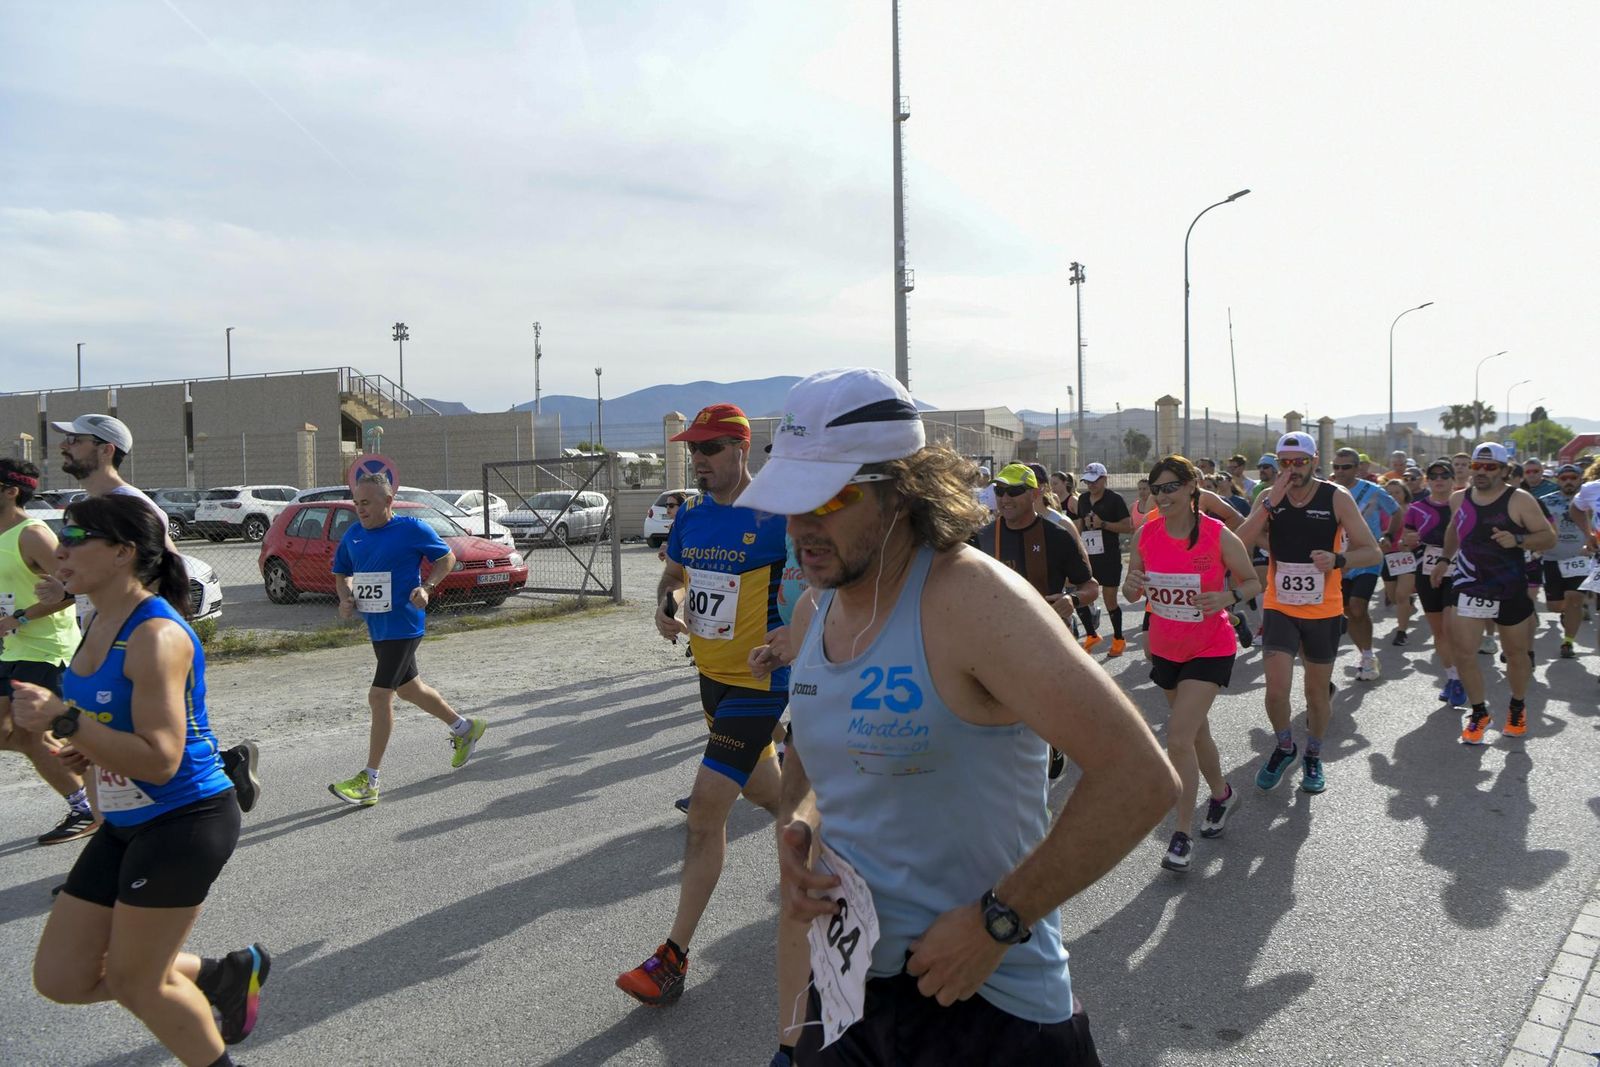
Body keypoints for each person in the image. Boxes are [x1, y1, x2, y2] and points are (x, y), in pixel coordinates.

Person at [739, 367, 1176, 1065]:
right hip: (852, 999)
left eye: (829, 498)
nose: (802, 527)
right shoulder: (814, 608)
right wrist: (799, 829)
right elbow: (815, 767)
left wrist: (998, 920)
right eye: (794, 499)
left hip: (988, 1004)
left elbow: (1141, 777)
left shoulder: (972, 600)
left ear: (901, 491)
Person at [16, 494, 267, 1065]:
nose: (60, 551)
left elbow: (160, 760)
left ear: (124, 552)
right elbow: (115, 724)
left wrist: (64, 718)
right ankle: (222, 975)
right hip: (127, 821)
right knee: (61, 977)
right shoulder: (98, 615)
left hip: (183, 819)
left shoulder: (156, 635)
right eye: (62, 535)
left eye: (77, 539)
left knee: (137, 983)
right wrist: (86, 744)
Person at [619, 403, 790, 1008]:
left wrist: (787, 640)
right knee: (775, 797)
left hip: (759, 685)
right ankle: (844, 859)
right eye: (694, 449)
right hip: (711, 680)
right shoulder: (690, 516)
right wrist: (667, 605)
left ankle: (671, 959)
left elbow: (816, 591)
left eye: (711, 449)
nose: (699, 460)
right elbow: (674, 575)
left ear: (743, 449)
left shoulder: (777, 516)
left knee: (704, 816)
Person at [43, 414, 261, 814]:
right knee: (104, 742)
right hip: (99, 632)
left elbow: (166, 572)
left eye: (76, 439)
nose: (64, 445)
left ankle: (219, 776)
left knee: (150, 746)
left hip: (134, 642)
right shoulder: (88, 507)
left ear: (106, 449)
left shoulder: (133, 506)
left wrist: (158, 639)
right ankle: (113, 843)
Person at [1122, 456, 1260, 872]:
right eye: (1155, 488)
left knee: (1178, 738)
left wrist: (1227, 598)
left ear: (1191, 487)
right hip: (1166, 648)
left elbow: (1254, 582)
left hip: (1210, 647)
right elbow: (1133, 594)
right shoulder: (1145, 536)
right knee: (1196, 735)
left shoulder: (1217, 536)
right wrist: (1131, 586)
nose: (1161, 496)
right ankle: (1222, 794)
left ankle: (1181, 835)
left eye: (1170, 488)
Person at [327, 472, 488, 806]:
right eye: (357, 503)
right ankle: (464, 728)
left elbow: (447, 557)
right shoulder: (354, 535)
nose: (360, 509)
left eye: (367, 503)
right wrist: (345, 597)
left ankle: (369, 780)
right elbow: (342, 572)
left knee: (379, 696)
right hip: (378, 628)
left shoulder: (411, 529)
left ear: (388, 502)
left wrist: (427, 589)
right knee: (409, 689)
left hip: (405, 624)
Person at [1236, 432, 1380, 794]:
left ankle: (1313, 756)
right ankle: (1285, 747)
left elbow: (1373, 553)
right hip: (1280, 606)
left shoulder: (1336, 497)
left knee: (1316, 695)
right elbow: (1239, 542)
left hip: (1324, 610)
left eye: (1300, 461)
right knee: (1275, 690)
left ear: (1315, 461)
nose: (1292, 468)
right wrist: (1270, 504)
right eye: (1285, 462)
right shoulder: (1270, 498)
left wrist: (1338, 560)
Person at [1428, 443, 1556, 743]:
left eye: (1489, 467)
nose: (1481, 472)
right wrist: (1445, 560)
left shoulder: (1519, 499)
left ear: (1504, 471)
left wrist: (1518, 539)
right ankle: (1478, 712)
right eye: (1477, 466)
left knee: (1516, 653)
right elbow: (1453, 530)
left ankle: (1516, 705)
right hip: (1469, 584)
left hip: (1509, 587)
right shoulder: (1459, 498)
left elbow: (1548, 538)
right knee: (1464, 652)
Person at [0, 458, 97, 844]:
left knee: (29, 733)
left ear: (11, 491)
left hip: (44, 648)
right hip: (11, 647)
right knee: (14, 734)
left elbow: (71, 588)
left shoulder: (32, 533)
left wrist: (20, 617)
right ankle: (98, 773)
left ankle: (87, 804)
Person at [1329, 447, 1401, 681]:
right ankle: (1366, 655)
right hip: (1340, 560)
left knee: (1358, 606)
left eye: (1346, 467)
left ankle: (1368, 656)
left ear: (1357, 467)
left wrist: (1389, 536)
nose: (1340, 471)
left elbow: (1396, 512)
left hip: (1367, 558)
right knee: (1348, 610)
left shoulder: (1372, 491)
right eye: (1336, 467)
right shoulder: (1328, 492)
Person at [1405, 462, 1464, 705]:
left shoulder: (1463, 505)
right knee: (1439, 631)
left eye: (1444, 475)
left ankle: (1461, 677)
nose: (1439, 479)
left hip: (1459, 573)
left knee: (1451, 628)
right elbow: (1407, 540)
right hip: (1427, 573)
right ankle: (1453, 678)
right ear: (1428, 480)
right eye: (1434, 476)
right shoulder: (1416, 508)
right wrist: (1409, 541)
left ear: (1453, 479)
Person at [1075, 463, 1133, 656]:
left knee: (1110, 600)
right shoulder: (1082, 499)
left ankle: (1118, 639)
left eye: (1094, 481)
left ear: (1104, 479)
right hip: (1088, 556)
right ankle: (1091, 635)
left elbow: (1128, 527)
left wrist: (1103, 524)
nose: (1090, 485)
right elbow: (1080, 524)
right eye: (1087, 481)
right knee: (1081, 597)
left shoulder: (1115, 499)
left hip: (1108, 556)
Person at [1541, 464, 1592, 659]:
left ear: (1580, 479)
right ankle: (1565, 614)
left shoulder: (1591, 502)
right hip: (1552, 558)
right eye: (1564, 478)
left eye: (1573, 477)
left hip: (1580, 558)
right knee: (1555, 606)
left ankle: (1568, 642)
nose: (1568, 481)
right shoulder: (1545, 502)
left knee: (1575, 599)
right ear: (1558, 481)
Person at [1380, 479, 1415, 644]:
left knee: (1401, 596)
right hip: (1387, 557)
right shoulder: (1379, 511)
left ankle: (1401, 632)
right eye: (1389, 493)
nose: (1393, 496)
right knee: (1393, 597)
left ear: (1405, 494)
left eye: (1397, 492)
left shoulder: (1413, 511)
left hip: (1407, 556)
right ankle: (1408, 603)